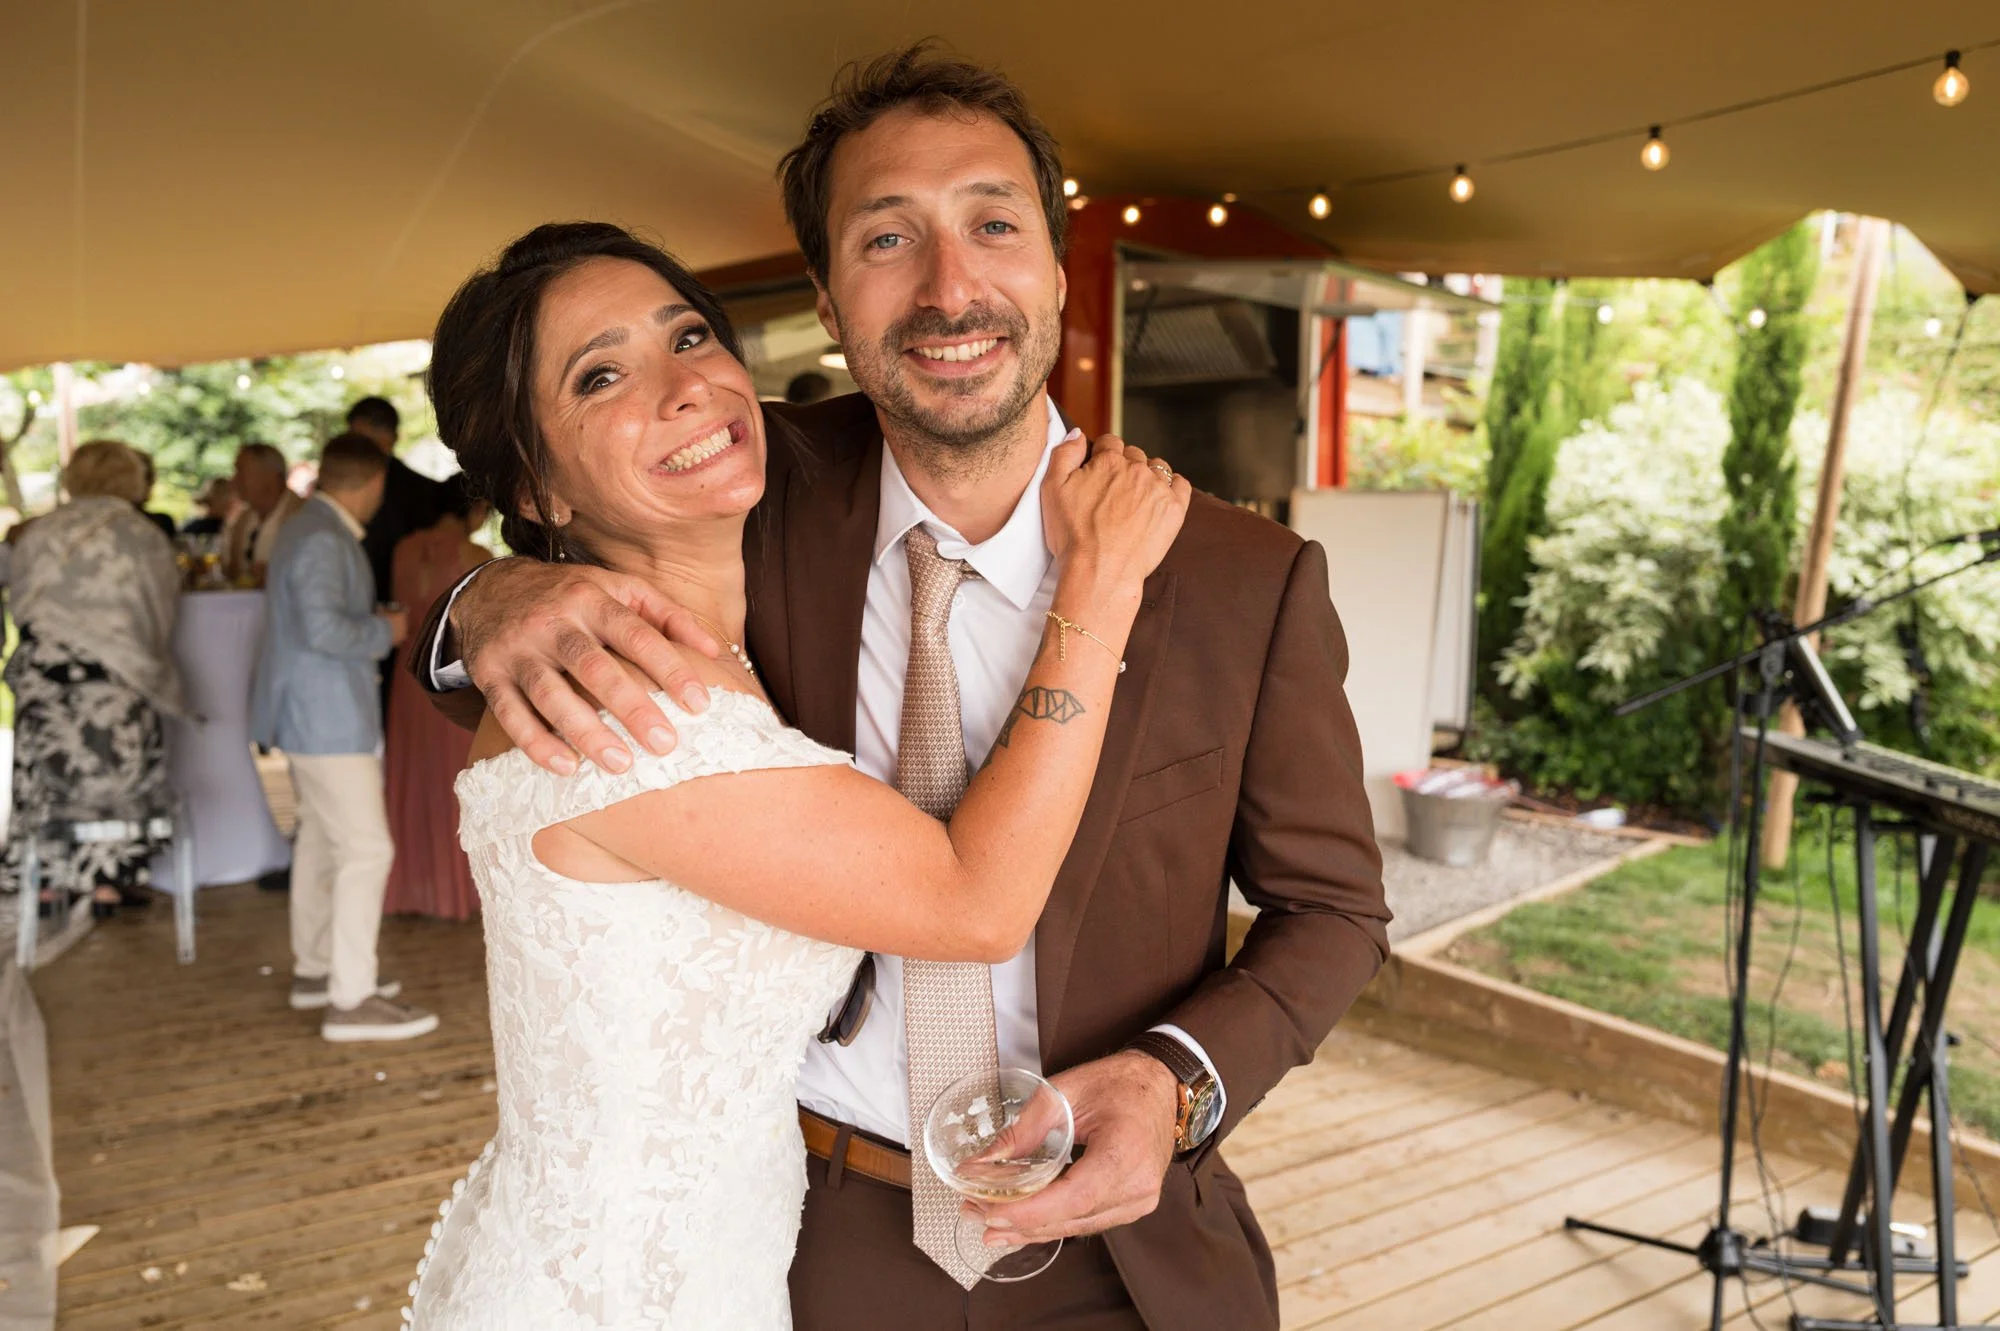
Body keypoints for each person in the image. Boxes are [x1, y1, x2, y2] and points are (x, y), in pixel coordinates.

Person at [414, 45, 1389, 1331]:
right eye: (887, 239)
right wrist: (491, 598)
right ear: (828, 299)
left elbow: (1333, 907)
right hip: (818, 1242)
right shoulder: (738, 484)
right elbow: (547, 661)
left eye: (992, 223)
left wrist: (1177, 1083)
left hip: (1125, 1257)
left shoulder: (1235, 575)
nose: (949, 286)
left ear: (1052, 261)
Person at [403, 220, 1186, 1329]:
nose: (683, 385)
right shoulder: (632, 704)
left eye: (687, 334)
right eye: (602, 373)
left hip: (723, 1256)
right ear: (536, 485)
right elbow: (971, 902)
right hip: (626, 1293)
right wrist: (1098, 582)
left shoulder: (721, 621)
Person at [252, 434, 434, 1042]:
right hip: (326, 717)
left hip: (313, 715)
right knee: (366, 850)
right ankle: (351, 999)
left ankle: (316, 970)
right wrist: (387, 629)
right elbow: (325, 630)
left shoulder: (308, 530)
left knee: (324, 845)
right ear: (373, 482)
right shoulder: (323, 538)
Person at [5, 440, 184, 917]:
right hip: (115, 679)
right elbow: (161, 610)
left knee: (44, 778)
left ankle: (44, 879)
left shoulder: (39, 531)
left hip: (44, 680)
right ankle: (110, 880)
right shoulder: (142, 534)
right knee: (120, 773)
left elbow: (19, 596)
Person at [381, 476, 491, 921]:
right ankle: (456, 891)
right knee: (453, 781)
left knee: (411, 774)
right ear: (474, 509)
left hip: (408, 682)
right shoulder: (477, 558)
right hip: (452, 683)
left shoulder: (404, 549)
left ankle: (411, 886)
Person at [348, 396, 450, 727]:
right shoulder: (340, 489)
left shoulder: (424, 493)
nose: (356, 448)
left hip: (411, 623)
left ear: (390, 437)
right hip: (356, 616)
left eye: (363, 439)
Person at [220, 442, 305, 585]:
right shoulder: (242, 520)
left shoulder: (304, 516)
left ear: (271, 477)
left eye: (241, 472)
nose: (234, 481)